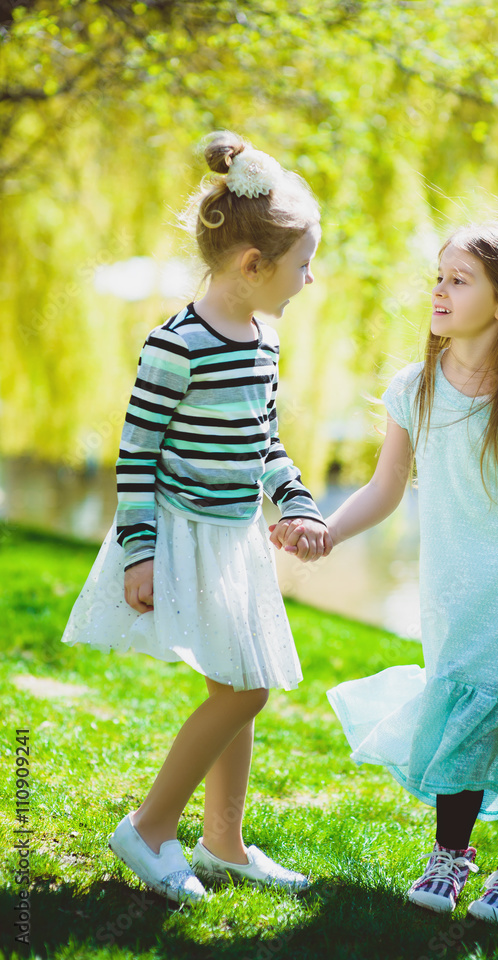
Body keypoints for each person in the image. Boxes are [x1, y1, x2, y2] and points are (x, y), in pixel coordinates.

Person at [275, 219, 498, 926]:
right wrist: (327, 533)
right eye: (439, 276)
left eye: (459, 280)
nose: (439, 290)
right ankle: (450, 856)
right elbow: (385, 487)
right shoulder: (415, 388)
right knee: (460, 717)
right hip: (457, 600)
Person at [62, 130, 331, 904]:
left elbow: (263, 441)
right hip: (184, 536)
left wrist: (297, 501)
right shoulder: (176, 345)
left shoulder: (264, 341)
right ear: (253, 265)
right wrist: (141, 553)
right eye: (301, 265)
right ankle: (149, 827)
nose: (310, 279)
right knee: (246, 689)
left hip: (235, 537)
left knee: (238, 682)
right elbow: (136, 454)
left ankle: (223, 842)